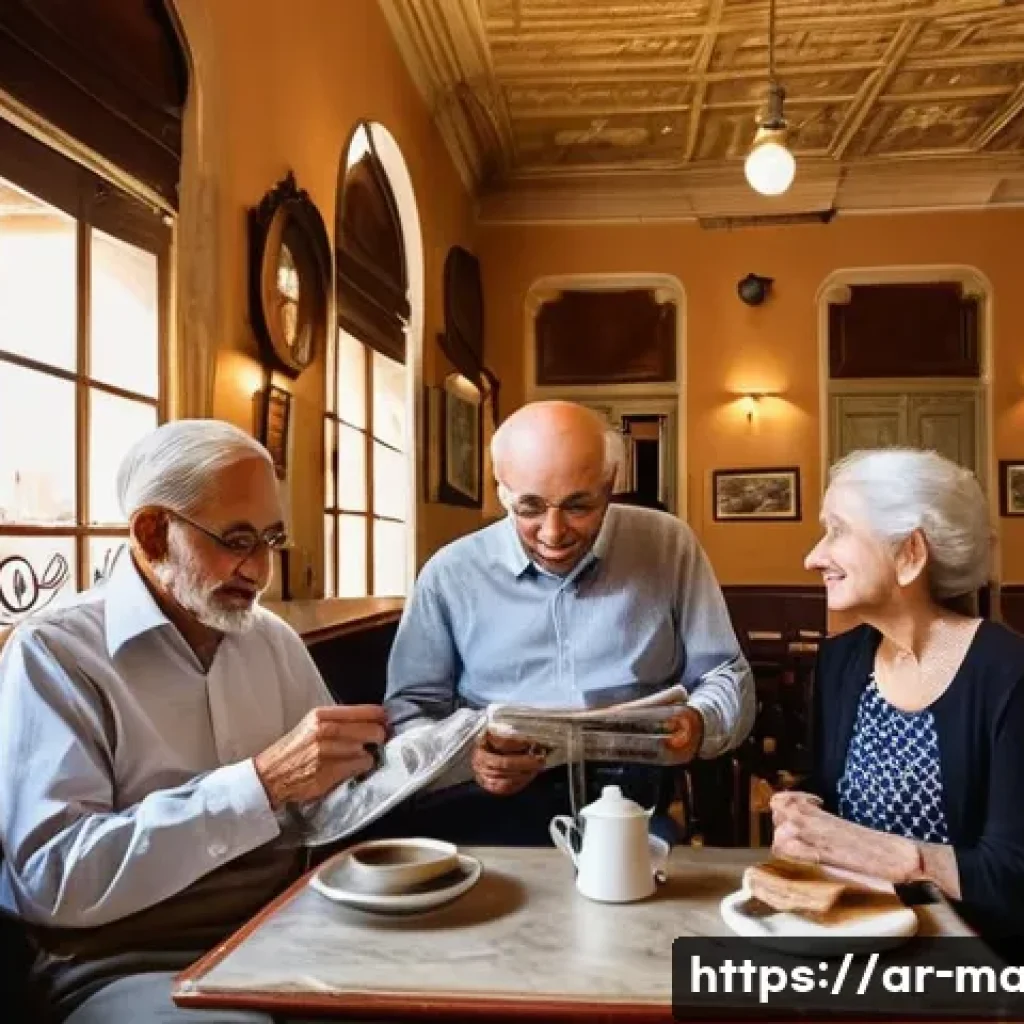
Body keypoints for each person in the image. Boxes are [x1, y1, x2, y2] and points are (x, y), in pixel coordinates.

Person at [0, 420, 387, 1023]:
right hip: (123, 960)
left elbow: (330, 800)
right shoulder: (56, 652)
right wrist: (259, 785)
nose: (260, 571)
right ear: (153, 533)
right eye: (236, 541)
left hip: (281, 928)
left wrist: (433, 760)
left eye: (270, 540)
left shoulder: (271, 639)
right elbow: (55, 880)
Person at [383, 400, 754, 844]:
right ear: (502, 490)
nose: (553, 533)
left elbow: (725, 674)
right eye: (530, 508)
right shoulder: (450, 572)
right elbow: (408, 713)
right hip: (489, 804)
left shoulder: (668, 545)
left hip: (632, 799)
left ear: (610, 484)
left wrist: (700, 721)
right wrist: (469, 758)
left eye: (579, 506)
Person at [772, 448, 1024, 941]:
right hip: (853, 939)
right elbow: (831, 794)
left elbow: (1013, 875)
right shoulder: (841, 662)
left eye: (838, 530)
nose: (813, 557)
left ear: (909, 554)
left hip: (977, 969)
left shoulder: (1008, 674)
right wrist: (803, 813)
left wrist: (893, 856)